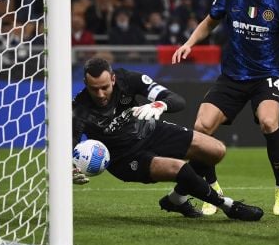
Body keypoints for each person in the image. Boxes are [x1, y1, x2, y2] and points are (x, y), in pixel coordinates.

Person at [172, 0, 279, 216]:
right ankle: (213, 190)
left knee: (268, 122)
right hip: (232, 76)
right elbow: (209, 22)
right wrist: (189, 43)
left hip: (266, 75)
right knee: (201, 126)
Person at [72, 57, 263, 222]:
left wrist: (160, 104)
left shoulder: (128, 79)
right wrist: (69, 168)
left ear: (113, 79)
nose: (100, 94)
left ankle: (176, 199)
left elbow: (177, 100)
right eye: (93, 89)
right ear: (85, 84)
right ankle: (228, 206)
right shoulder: (79, 110)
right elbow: (68, 145)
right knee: (178, 168)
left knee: (216, 151)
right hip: (124, 158)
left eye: (104, 87)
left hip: (151, 131)